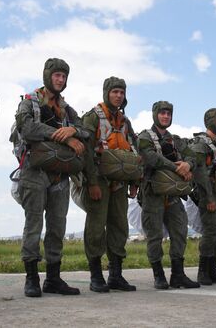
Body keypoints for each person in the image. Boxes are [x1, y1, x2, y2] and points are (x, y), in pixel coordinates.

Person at [15, 58, 90, 297]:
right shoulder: (29, 103)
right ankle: (31, 278)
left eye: (64, 76)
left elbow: (86, 131)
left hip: (60, 175)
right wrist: (64, 136)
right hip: (34, 172)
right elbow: (28, 129)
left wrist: (75, 130)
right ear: (47, 76)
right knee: (33, 225)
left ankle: (53, 279)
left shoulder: (67, 110)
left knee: (57, 227)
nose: (60, 80)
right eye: (56, 75)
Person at [82, 76, 138, 292]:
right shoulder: (93, 117)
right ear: (107, 93)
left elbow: (133, 152)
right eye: (115, 91)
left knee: (119, 227)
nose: (118, 96)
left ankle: (116, 275)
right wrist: (91, 182)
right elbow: (86, 152)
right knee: (96, 227)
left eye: (122, 92)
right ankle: (96, 275)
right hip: (99, 180)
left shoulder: (125, 122)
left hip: (120, 183)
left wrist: (134, 181)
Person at [137, 101, 200, 289]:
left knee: (180, 232)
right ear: (155, 114)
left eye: (168, 114)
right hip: (152, 193)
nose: (165, 116)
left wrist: (188, 165)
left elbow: (192, 156)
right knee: (154, 236)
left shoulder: (176, 140)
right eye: (162, 113)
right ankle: (159, 275)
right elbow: (151, 158)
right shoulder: (145, 137)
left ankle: (178, 275)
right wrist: (177, 168)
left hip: (173, 195)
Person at [189, 108, 216, 285]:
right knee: (211, 232)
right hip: (210, 194)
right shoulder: (201, 143)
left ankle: (213, 270)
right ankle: (203, 271)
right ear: (212, 121)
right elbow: (200, 173)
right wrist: (208, 198)